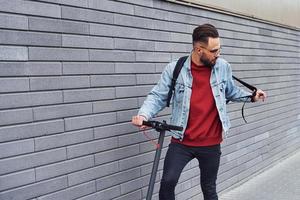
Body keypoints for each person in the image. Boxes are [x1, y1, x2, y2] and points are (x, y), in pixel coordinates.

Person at [131, 24, 266, 200]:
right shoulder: (176, 69)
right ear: (198, 49)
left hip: (211, 143)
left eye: (219, 49)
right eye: (214, 50)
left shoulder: (222, 66)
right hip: (181, 141)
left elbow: (231, 91)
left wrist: (251, 96)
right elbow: (158, 96)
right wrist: (143, 115)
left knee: (208, 188)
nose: (218, 54)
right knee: (167, 182)